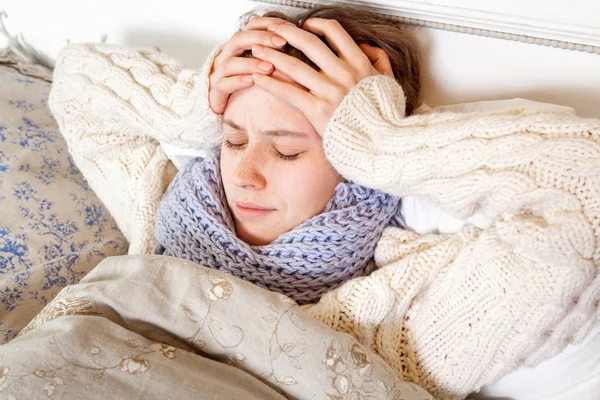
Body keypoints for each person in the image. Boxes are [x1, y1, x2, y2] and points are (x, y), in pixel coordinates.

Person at [49, 4, 600, 399]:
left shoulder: (402, 313)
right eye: (233, 139)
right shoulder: (167, 213)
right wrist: (191, 106)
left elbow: (585, 193)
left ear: (357, 163)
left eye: (287, 152)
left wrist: (385, 141)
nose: (244, 173)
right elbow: (77, 80)